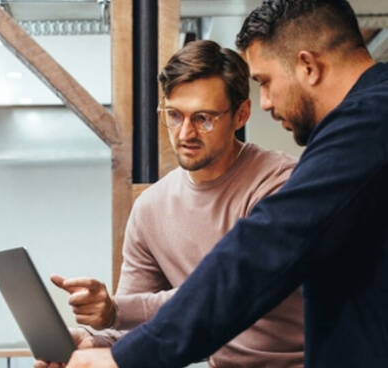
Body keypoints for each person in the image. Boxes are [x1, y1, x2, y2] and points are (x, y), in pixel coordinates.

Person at [65, 0, 388, 367]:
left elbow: (256, 258)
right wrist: (98, 344)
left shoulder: (367, 124)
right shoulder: (370, 119)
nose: (265, 102)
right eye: (173, 115)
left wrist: (125, 356)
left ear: (308, 66)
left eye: (265, 82)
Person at [36, 40, 303, 368]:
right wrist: (95, 342)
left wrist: (117, 311)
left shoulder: (280, 185)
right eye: (174, 115)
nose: (185, 132)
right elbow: (140, 328)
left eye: (203, 118)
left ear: (241, 115)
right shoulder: (151, 208)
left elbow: (225, 296)